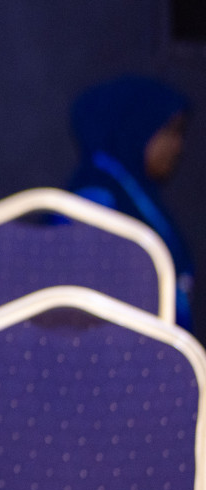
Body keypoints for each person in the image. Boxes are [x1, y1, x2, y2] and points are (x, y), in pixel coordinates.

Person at [66, 75, 193, 332]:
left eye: (181, 133)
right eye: (168, 131)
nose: (177, 146)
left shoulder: (134, 192)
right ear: (136, 126)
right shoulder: (95, 197)